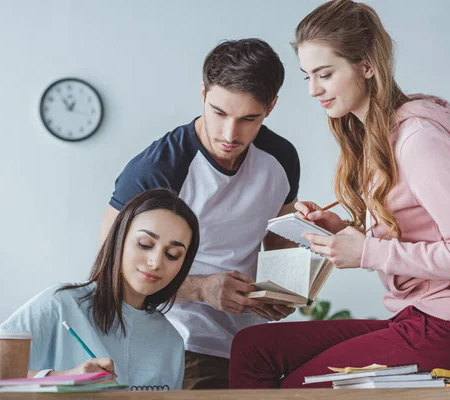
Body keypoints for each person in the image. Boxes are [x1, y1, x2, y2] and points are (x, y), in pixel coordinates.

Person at [229, 0, 450, 389]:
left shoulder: (418, 140)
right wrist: (344, 232)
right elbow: (418, 230)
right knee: (253, 347)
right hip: (415, 316)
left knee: (299, 390)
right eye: (307, 77)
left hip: (446, 326)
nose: (314, 90)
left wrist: (368, 253)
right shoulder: (374, 138)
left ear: (366, 66)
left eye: (325, 74)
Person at [99, 39, 301, 389]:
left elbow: (278, 238)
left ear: (271, 107)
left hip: (252, 343)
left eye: (248, 119)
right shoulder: (157, 169)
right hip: (177, 340)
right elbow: (110, 267)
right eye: (219, 113)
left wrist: (284, 288)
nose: (229, 134)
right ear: (203, 93)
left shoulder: (282, 158)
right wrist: (201, 289)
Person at [0, 188, 200, 390]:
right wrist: (62, 378)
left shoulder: (171, 342)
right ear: (119, 239)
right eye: (145, 244)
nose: (155, 262)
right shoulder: (60, 305)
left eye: (172, 254)